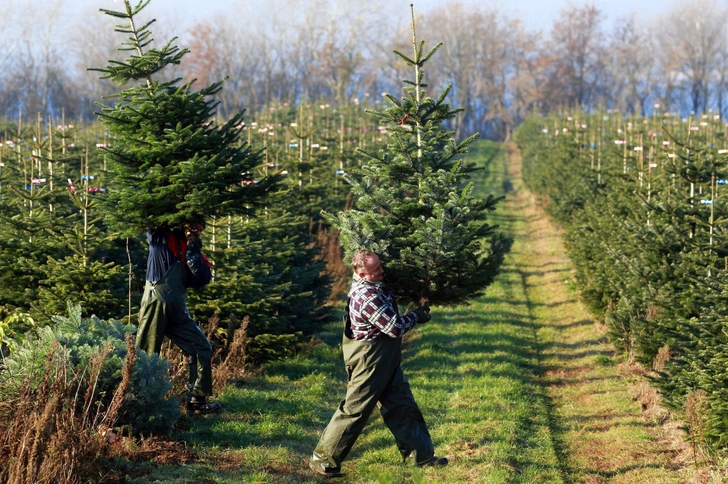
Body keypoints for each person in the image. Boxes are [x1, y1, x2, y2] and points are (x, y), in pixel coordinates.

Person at [309, 249, 448, 477]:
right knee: (355, 410)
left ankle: (420, 457)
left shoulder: (375, 285)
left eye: (381, 266)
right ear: (362, 273)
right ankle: (323, 460)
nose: (382, 271)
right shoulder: (366, 296)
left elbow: (390, 294)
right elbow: (393, 328)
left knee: (402, 405)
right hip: (370, 361)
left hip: (385, 358)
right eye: (376, 270)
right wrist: (417, 315)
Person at [135, 220, 221, 415]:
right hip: (156, 302)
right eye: (193, 226)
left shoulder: (192, 249)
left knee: (202, 347)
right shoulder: (161, 238)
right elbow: (154, 215)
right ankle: (138, 403)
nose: (196, 230)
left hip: (178, 308)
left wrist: (193, 251)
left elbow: (201, 278)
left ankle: (197, 400)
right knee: (147, 354)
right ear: (182, 224)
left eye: (200, 228)